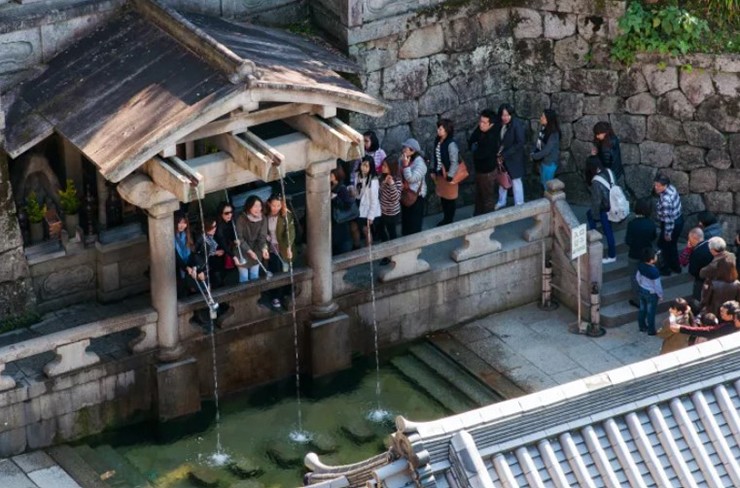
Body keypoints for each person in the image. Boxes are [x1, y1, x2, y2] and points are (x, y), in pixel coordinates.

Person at [263, 193, 296, 311]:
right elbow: (262, 231)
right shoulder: (265, 216)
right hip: (271, 246)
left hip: (283, 246)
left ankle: (286, 294)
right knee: (275, 270)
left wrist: (288, 247)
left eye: (278, 205)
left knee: (286, 269)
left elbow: (290, 231)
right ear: (269, 204)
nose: (276, 208)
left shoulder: (286, 215)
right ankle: (275, 296)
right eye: (274, 205)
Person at [494, 103, 526, 210]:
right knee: (503, 180)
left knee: (516, 181)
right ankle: (501, 201)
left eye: (507, 115)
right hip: (502, 157)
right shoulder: (499, 124)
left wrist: (504, 154)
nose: (505, 117)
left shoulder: (516, 124)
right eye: (503, 115)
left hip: (514, 158)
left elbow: (520, 142)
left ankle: (519, 204)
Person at [625, 198, 656, 307]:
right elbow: (653, 237)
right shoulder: (651, 223)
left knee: (634, 277)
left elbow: (628, 240)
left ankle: (637, 300)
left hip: (634, 253)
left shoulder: (632, 224)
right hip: (647, 254)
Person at [585, 156, 616, 264]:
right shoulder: (608, 171)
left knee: (608, 232)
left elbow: (596, 201)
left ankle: (612, 255)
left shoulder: (596, 182)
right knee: (607, 228)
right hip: (614, 205)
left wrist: (595, 216)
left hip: (605, 209)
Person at [468, 109, 498, 215]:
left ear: (491, 124)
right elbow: (471, 141)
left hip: (487, 172)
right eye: (480, 121)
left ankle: (489, 222)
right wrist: (475, 146)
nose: (481, 124)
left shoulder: (492, 136)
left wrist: (475, 147)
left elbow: (481, 154)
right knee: (479, 196)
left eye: (484, 123)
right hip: (479, 170)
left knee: (487, 198)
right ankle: (478, 217)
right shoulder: (480, 130)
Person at [431, 118, 460, 226]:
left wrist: (450, 175)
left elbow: (454, 161)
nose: (438, 130)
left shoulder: (451, 144)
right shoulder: (437, 141)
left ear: (446, 130)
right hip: (440, 174)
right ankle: (446, 218)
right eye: (438, 128)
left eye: (440, 128)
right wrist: (432, 169)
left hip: (448, 175)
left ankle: (449, 219)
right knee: (443, 197)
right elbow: (434, 156)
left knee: (450, 198)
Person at [653, 173, 684, 276]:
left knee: (666, 246)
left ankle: (666, 269)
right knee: (671, 245)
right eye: (655, 185)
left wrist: (668, 233)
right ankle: (676, 267)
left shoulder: (666, 200)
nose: (655, 187)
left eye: (658, 185)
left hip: (671, 224)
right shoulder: (671, 188)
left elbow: (668, 219)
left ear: (664, 185)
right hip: (678, 219)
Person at [235, 195, 269, 283]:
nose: (258, 209)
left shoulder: (263, 219)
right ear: (249, 207)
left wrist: (264, 249)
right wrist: (249, 251)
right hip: (242, 251)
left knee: (255, 276)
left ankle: (256, 296)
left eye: (260, 206)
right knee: (244, 277)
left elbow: (262, 237)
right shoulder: (241, 219)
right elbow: (240, 238)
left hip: (256, 250)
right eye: (255, 206)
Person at [672, 302, 739, 342]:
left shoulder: (729, 327)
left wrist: (682, 329)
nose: (720, 313)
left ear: (730, 316)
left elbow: (708, 331)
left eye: (722, 313)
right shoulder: (730, 321)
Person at [399, 138, 427, 236]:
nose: (403, 150)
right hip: (405, 193)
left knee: (414, 223)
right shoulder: (404, 159)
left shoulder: (420, 163)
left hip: (416, 196)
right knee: (406, 219)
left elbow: (412, 179)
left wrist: (406, 166)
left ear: (413, 150)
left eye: (405, 148)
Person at [174, 211, 205, 298]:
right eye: (179, 222)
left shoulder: (187, 234)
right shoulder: (171, 237)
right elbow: (176, 256)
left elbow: (192, 253)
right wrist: (186, 268)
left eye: (184, 223)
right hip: (178, 269)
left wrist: (194, 268)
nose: (182, 225)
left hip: (190, 266)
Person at [530, 109, 561, 191]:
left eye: (543, 117)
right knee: (544, 184)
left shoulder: (554, 134)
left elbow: (547, 150)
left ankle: (551, 203)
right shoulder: (543, 129)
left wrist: (534, 156)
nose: (541, 118)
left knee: (548, 186)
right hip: (543, 162)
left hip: (549, 163)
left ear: (548, 119)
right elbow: (537, 143)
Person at [193, 217, 226, 288]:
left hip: (214, 263)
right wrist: (215, 252)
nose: (215, 228)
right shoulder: (201, 238)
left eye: (215, 226)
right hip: (206, 265)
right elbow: (198, 253)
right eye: (212, 227)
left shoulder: (212, 235)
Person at [636, 247, 663, 335]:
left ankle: (642, 326)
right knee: (650, 312)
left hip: (642, 290)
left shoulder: (641, 265)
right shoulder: (654, 271)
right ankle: (651, 330)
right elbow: (657, 285)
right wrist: (660, 295)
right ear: (651, 260)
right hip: (651, 293)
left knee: (642, 309)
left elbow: (637, 277)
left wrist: (641, 284)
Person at [684, 227, 713, 307]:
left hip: (701, 280)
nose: (689, 241)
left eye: (689, 239)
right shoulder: (710, 245)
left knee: (698, 299)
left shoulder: (697, 252)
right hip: (712, 278)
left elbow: (692, 271)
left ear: (694, 238)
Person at [355, 156, 381, 246]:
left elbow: (374, 200)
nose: (364, 168)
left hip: (368, 209)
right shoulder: (358, 175)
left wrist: (370, 216)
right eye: (363, 165)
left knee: (366, 231)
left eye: (367, 166)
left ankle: (369, 251)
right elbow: (358, 193)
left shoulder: (373, 180)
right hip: (360, 206)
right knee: (361, 229)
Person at [330, 168, 354, 256]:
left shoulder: (342, 188)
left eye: (331, 175)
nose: (329, 177)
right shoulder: (330, 185)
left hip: (340, 219)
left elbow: (347, 205)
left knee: (341, 241)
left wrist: (335, 198)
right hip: (333, 218)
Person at [378, 156, 402, 245]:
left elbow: (396, 198)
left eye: (385, 166)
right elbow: (380, 191)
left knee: (392, 233)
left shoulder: (397, 180)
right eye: (382, 165)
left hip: (392, 213)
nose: (382, 167)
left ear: (391, 167)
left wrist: (391, 184)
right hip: (382, 210)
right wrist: (384, 183)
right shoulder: (382, 177)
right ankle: (385, 249)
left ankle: (393, 253)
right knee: (381, 230)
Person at [215, 201, 239, 285]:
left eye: (231, 212)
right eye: (226, 213)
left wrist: (235, 240)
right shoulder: (218, 225)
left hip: (229, 249)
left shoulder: (231, 221)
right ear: (221, 214)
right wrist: (233, 256)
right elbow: (221, 241)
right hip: (219, 252)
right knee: (222, 275)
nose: (230, 215)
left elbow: (234, 234)